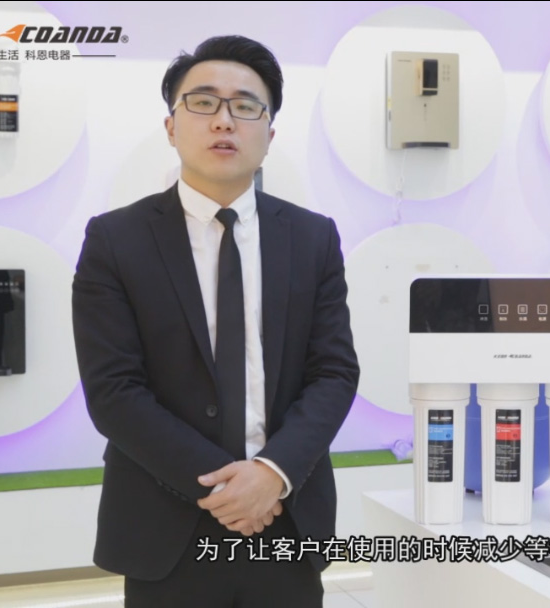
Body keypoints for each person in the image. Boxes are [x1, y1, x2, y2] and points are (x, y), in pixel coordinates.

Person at [71, 35, 359, 607]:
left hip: (284, 513)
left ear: (269, 135)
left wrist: (271, 474)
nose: (224, 120)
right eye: (203, 102)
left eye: (246, 106)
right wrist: (230, 486)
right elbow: (114, 392)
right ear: (171, 126)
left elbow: (334, 372)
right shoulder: (115, 240)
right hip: (165, 520)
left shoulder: (313, 237)